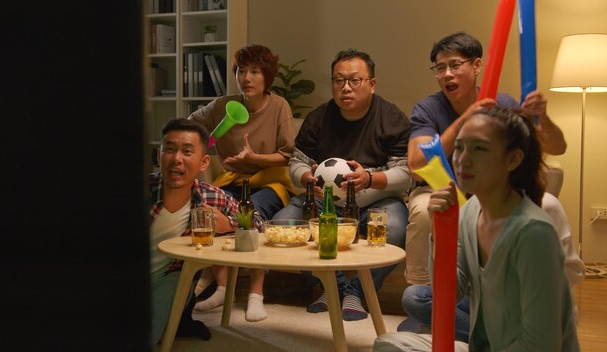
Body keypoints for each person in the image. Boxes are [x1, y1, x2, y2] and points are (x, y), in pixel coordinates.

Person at [399, 32, 584, 340]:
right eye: (439, 67)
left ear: (477, 66)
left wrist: (542, 118)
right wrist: (466, 119)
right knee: (416, 294)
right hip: (444, 189)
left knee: (549, 205)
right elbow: (418, 163)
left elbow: (557, 146)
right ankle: (484, 321)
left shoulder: (504, 104)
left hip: (497, 194)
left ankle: (498, 319)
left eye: (454, 65)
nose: (446, 74)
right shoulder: (428, 108)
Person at [374, 106, 580, 351]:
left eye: (479, 148)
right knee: (387, 345)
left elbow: (542, 345)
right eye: (459, 147)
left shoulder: (534, 233)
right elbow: (448, 293)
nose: (463, 160)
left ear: (513, 159)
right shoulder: (470, 211)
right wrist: (440, 231)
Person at [273, 49, 412, 321]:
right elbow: (296, 162)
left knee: (394, 226)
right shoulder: (319, 118)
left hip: (376, 201)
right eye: (338, 80)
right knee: (284, 225)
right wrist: (306, 178)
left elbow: (407, 172)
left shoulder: (391, 118)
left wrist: (370, 179)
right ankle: (333, 287)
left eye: (355, 80)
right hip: (322, 203)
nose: (345, 87)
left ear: (372, 84)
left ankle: (356, 293)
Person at [189, 44, 295, 322]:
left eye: (255, 71)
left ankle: (255, 294)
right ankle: (224, 288)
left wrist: (255, 157)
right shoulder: (223, 105)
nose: (247, 78)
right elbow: (190, 125)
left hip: (269, 182)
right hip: (231, 179)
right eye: (242, 71)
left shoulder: (279, 106)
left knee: (250, 215)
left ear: (267, 77)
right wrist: (201, 145)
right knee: (207, 212)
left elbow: (287, 155)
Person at [150, 119, 239, 346]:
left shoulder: (212, 197)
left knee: (178, 279)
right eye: (169, 149)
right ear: (159, 155)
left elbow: (257, 224)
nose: (176, 159)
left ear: (204, 162)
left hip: (169, 283)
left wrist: (228, 224)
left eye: (187, 152)